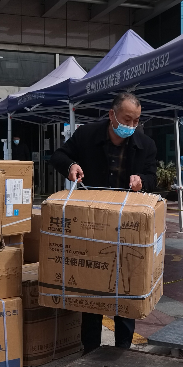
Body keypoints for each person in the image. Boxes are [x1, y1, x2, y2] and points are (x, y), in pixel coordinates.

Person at [49, 92, 157, 353]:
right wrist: (71, 166)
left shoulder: (145, 144)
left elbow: (153, 177)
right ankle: (90, 347)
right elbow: (58, 156)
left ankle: (123, 347)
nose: (131, 126)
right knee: (93, 283)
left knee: (126, 282)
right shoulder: (87, 135)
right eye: (127, 119)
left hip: (127, 224)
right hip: (93, 222)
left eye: (136, 121)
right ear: (112, 115)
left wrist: (142, 181)